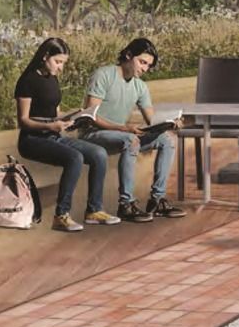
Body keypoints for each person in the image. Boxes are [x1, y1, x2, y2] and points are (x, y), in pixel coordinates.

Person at [76, 37, 187, 222]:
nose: (145, 69)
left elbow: (151, 119)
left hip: (121, 135)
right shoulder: (104, 75)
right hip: (92, 135)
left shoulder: (140, 86)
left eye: (148, 65)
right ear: (128, 55)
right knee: (131, 140)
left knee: (167, 140)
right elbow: (90, 116)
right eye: (142, 62)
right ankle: (125, 204)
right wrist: (124, 128)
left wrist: (170, 122)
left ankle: (157, 200)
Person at [14, 37, 118, 233]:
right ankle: (61, 216)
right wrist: (52, 126)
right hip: (33, 139)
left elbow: (54, 114)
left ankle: (94, 210)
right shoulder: (27, 81)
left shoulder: (52, 79)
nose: (60, 67)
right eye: (58, 62)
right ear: (45, 56)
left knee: (99, 154)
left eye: (63, 63)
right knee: (75, 157)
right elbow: (23, 121)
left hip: (54, 135)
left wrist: (74, 117)